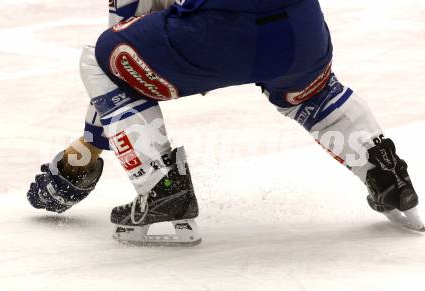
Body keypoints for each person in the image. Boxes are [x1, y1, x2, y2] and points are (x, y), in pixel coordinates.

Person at [27, 0, 424, 247]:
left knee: (104, 59)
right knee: (313, 93)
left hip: (221, 33)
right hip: (302, 30)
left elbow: (128, 27)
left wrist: (88, 149)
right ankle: (386, 173)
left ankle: (161, 187)